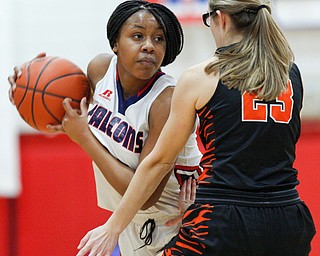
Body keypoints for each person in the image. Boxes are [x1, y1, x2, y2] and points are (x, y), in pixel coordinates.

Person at [71, 0, 317, 255]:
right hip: (288, 217)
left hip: (222, 219)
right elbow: (256, 148)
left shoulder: (201, 76)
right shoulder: (291, 74)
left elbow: (159, 162)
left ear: (220, 18)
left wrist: (112, 227)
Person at [8, 1, 202, 255]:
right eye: (137, 35)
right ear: (115, 44)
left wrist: (84, 139)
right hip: (130, 217)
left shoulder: (165, 101)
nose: (148, 45)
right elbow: (70, 118)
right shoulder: (100, 70)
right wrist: (25, 87)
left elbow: (145, 195)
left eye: (158, 39)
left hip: (172, 220)